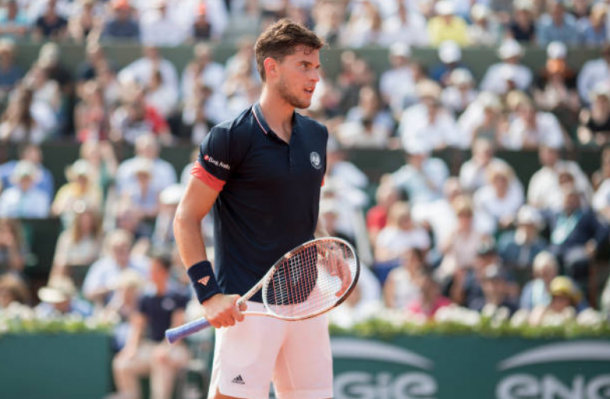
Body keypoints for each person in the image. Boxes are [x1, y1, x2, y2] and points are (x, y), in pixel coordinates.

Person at [173, 19, 335, 399]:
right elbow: (186, 217)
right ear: (271, 67)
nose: (314, 77)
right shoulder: (230, 137)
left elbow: (305, 207)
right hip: (250, 305)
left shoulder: (317, 135)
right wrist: (209, 294)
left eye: (316, 67)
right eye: (304, 66)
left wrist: (324, 241)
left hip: (308, 304)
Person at [112, 253, 190, 399]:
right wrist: (130, 349)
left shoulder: (178, 295)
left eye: (155, 269)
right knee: (122, 364)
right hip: (151, 347)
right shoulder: (146, 298)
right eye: (151, 269)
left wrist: (166, 348)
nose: (151, 273)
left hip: (176, 349)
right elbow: (138, 326)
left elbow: (178, 328)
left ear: (165, 272)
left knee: (160, 359)